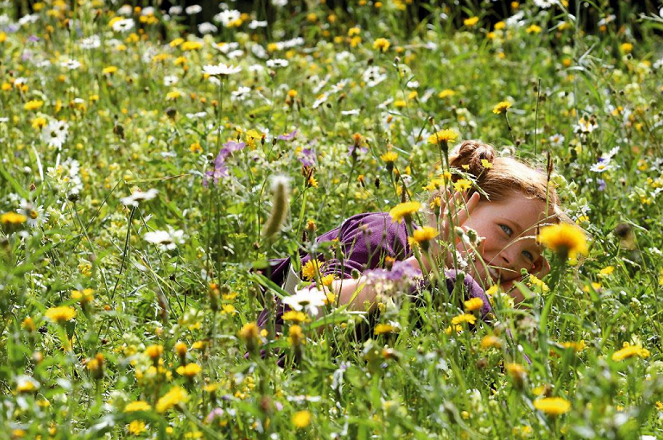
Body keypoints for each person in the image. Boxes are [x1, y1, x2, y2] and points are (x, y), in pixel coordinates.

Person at [256, 140, 569, 334]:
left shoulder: (456, 296)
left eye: (528, 255)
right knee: (452, 284)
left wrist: (509, 309)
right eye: (506, 230)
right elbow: (298, 309)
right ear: (460, 202)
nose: (511, 257)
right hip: (285, 351)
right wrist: (420, 263)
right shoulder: (384, 234)